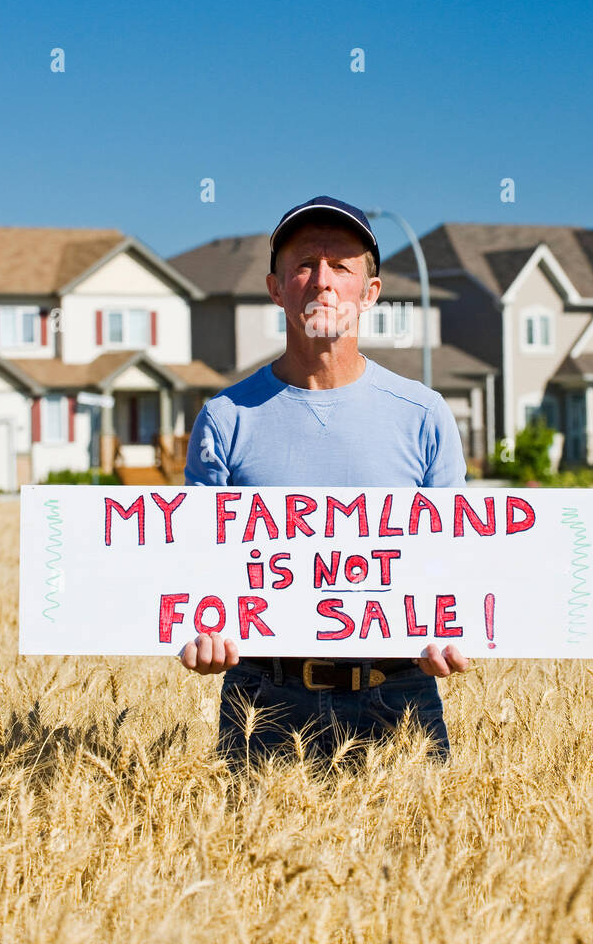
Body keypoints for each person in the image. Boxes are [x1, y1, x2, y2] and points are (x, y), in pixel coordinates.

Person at [180, 194, 470, 764]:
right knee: (249, 853)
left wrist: (452, 632)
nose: (322, 282)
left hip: (400, 692)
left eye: (342, 266)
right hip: (263, 698)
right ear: (276, 288)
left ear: (371, 292)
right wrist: (198, 632)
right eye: (304, 266)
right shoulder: (226, 417)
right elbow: (197, 563)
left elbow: (454, 558)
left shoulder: (423, 413)